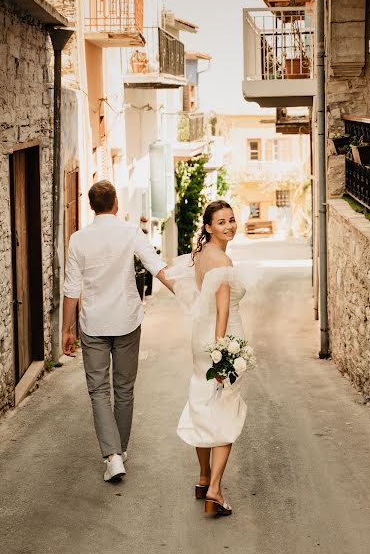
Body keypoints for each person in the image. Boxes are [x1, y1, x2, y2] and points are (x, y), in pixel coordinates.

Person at [62, 180, 174, 482]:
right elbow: (156, 265)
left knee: (98, 390)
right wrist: (186, 292)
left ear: (91, 206)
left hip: (94, 323)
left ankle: (112, 456)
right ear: (115, 204)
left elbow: (71, 288)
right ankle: (120, 451)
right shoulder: (129, 232)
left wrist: (66, 330)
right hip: (126, 320)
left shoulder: (78, 239)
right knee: (124, 389)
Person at [167, 200, 248, 516]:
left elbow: (193, 292)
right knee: (225, 409)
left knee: (202, 403)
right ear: (209, 227)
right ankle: (215, 490)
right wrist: (221, 354)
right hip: (221, 339)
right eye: (222, 222)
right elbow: (224, 309)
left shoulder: (199, 254)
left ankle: (202, 478)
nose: (229, 226)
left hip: (199, 336)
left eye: (232, 220)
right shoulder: (223, 260)